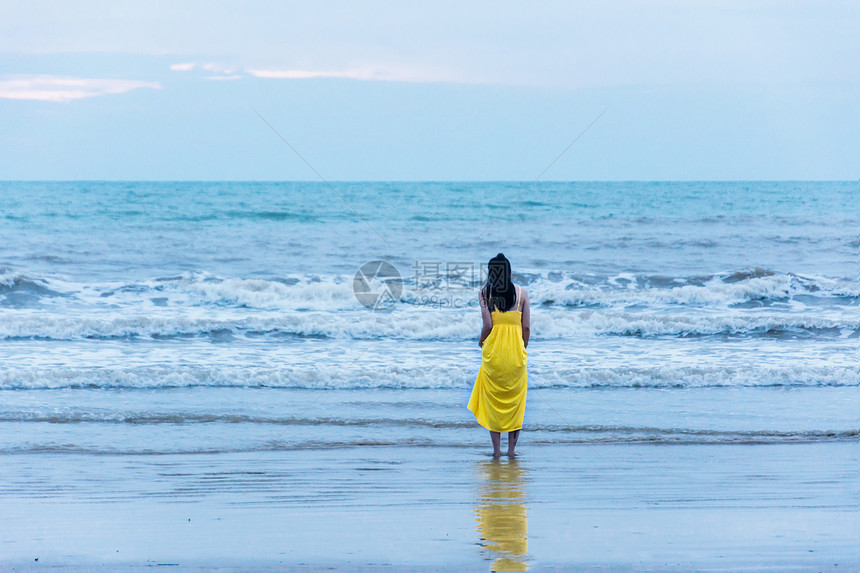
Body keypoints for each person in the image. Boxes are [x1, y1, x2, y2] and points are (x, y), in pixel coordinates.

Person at [468, 253, 530, 458]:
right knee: (515, 403)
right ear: (510, 272)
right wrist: (523, 348)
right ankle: (511, 451)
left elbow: (487, 325)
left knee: (493, 402)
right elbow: (526, 327)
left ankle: (497, 451)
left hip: (494, 355)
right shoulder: (522, 294)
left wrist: (480, 342)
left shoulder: (485, 294)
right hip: (515, 355)